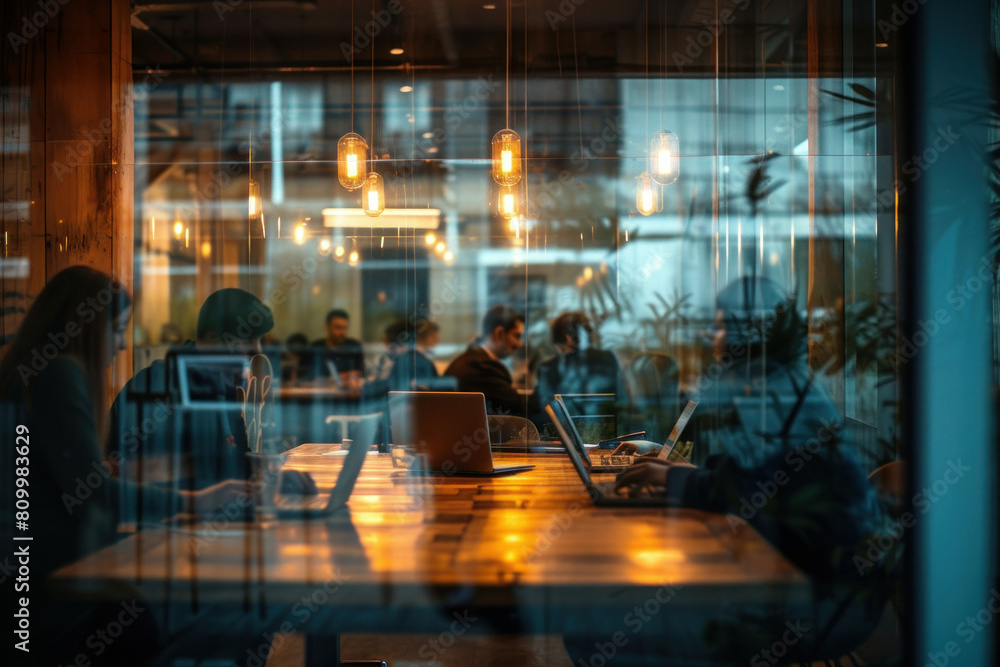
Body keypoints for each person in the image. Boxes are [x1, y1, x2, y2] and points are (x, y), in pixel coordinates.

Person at [602, 276, 887, 661]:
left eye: (720, 324)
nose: (710, 334)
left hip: (819, 601)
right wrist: (682, 471)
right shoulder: (781, 384)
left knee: (605, 628)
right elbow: (752, 480)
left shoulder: (777, 394)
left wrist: (673, 476)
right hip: (820, 584)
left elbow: (745, 490)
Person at [0, 266, 248, 665]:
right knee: (220, 620)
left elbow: (68, 478)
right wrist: (197, 500)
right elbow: (91, 491)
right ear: (85, 326)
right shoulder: (61, 373)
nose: (120, 344)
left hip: (33, 579)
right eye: (116, 329)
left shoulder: (37, 372)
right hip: (50, 592)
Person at [108, 288, 275, 492]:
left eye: (258, 341)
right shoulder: (159, 386)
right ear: (213, 339)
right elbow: (152, 479)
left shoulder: (221, 386)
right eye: (249, 340)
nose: (257, 351)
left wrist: (274, 475)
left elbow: (234, 461)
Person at [530, 312, 626, 432]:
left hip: (564, 437)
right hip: (609, 433)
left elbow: (544, 412)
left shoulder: (550, 368)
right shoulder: (607, 359)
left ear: (568, 338)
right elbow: (622, 400)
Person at [445, 304, 540, 416]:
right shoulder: (482, 367)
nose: (520, 344)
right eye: (517, 336)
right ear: (499, 333)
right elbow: (520, 405)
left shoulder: (473, 360)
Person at [311, 308, 365, 384]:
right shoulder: (317, 347)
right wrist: (339, 377)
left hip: (349, 394)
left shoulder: (354, 347)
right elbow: (310, 378)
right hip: (323, 394)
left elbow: (361, 374)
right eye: (338, 327)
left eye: (345, 328)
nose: (342, 332)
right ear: (327, 327)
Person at [387, 319, 444, 391]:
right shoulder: (422, 361)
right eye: (436, 336)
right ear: (429, 338)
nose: (437, 340)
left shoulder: (404, 358)